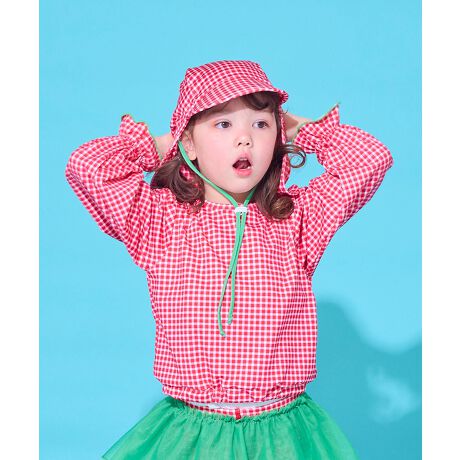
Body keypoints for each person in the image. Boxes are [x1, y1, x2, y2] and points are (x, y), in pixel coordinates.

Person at [65, 59, 394, 459]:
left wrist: (299, 129)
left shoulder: (297, 220)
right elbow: (87, 167)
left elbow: (371, 159)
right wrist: (168, 143)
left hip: (283, 434)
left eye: (261, 124)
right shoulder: (160, 221)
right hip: (193, 432)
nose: (245, 139)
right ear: (189, 143)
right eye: (223, 124)